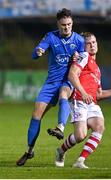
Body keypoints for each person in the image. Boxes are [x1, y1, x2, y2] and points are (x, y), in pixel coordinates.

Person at [16, 8, 84, 166]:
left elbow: (83, 60)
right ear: (57, 24)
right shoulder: (51, 36)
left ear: (72, 23)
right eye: (63, 25)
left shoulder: (79, 40)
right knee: (35, 116)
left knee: (63, 94)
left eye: (69, 24)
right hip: (51, 83)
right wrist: (38, 51)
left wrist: (78, 57)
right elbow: (35, 52)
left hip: (67, 81)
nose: (66, 27)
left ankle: (60, 127)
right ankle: (29, 151)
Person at [54, 32, 111, 168]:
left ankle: (80, 161)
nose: (92, 45)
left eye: (94, 42)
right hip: (79, 100)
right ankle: (61, 151)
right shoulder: (83, 57)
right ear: (83, 46)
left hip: (91, 103)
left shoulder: (97, 68)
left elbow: (98, 94)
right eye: (88, 43)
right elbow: (72, 75)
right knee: (80, 136)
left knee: (99, 126)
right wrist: (83, 93)